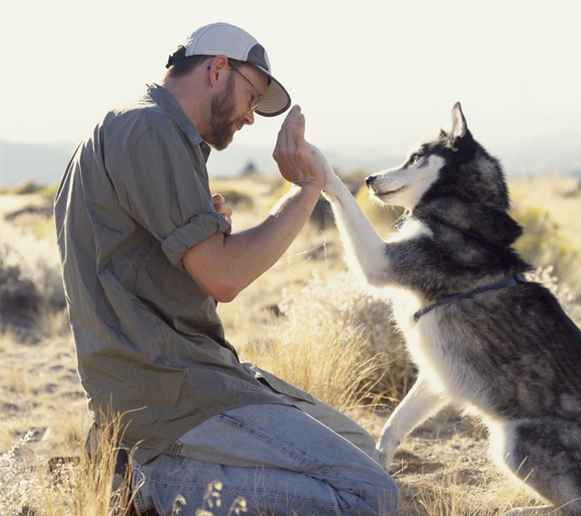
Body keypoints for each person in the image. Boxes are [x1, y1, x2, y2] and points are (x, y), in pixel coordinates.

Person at [54, 22, 400, 515]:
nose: (252, 118)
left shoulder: (138, 130)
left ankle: (152, 468)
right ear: (218, 69)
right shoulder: (149, 129)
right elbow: (226, 277)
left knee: (361, 451)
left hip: (195, 376)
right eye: (252, 95)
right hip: (170, 394)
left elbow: (181, 282)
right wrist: (306, 189)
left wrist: (213, 233)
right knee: (369, 496)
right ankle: (143, 485)